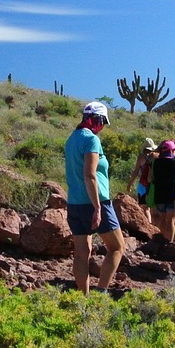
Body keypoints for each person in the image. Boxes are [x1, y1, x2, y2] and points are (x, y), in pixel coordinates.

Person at [65, 101, 126, 294]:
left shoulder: (71, 139)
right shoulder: (91, 140)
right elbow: (89, 175)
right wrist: (98, 208)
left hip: (74, 203)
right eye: (103, 122)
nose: (103, 127)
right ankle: (101, 292)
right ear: (97, 120)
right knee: (117, 247)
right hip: (94, 202)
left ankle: (84, 297)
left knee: (82, 252)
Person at [150, 139, 175, 241]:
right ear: (171, 151)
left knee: (162, 219)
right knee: (171, 220)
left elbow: (152, 178)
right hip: (172, 195)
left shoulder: (157, 163)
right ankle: (169, 242)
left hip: (159, 195)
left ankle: (161, 241)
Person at [125, 137, 156, 205]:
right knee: (152, 207)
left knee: (143, 206)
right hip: (153, 184)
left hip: (143, 184)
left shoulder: (141, 157)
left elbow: (136, 172)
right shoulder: (155, 156)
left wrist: (129, 184)